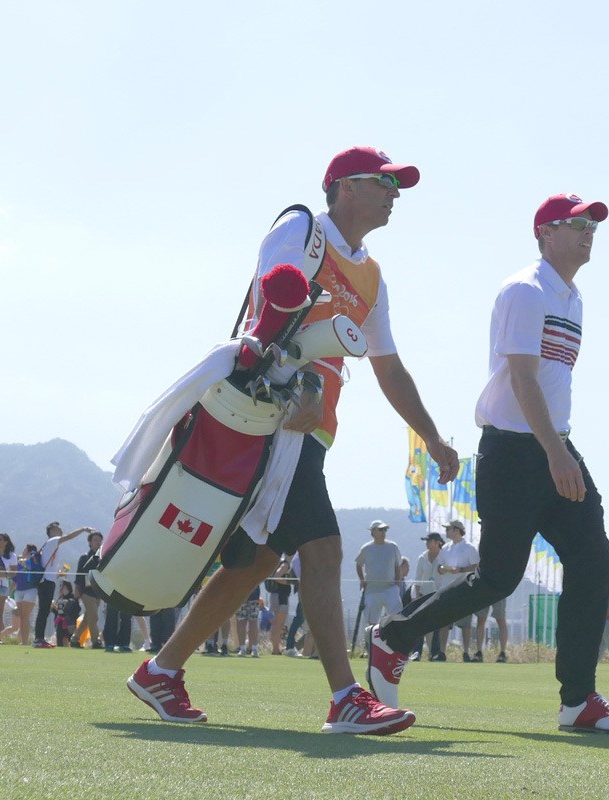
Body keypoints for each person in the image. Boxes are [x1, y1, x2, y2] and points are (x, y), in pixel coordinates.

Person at [127, 145, 458, 736]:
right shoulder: (302, 229)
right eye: (383, 183)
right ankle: (346, 698)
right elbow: (270, 311)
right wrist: (301, 383)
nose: (393, 195)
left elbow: (388, 367)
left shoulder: (372, 275)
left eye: (396, 187)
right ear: (345, 186)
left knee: (258, 559)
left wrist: (431, 436)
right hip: (271, 420)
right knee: (324, 548)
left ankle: (161, 670)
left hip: (312, 430)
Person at [369, 193, 609, 734]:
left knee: (593, 563)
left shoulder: (573, 298)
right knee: (498, 578)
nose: (588, 233)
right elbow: (521, 378)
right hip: (515, 453)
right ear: (545, 233)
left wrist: (559, 448)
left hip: (553, 446)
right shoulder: (526, 289)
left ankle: (578, 701)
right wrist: (556, 453)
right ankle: (394, 638)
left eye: (592, 226)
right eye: (576, 225)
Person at [33, 522, 92, 648]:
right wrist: (82, 529)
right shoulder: (53, 540)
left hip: (48, 580)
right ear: (52, 531)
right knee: (43, 611)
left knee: (44, 611)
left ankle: (40, 638)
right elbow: (69, 537)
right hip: (46, 581)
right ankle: (38, 639)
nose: (61, 532)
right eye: (58, 529)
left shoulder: (50, 544)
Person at [435, 520, 479, 662]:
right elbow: (439, 567)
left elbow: (476, 566)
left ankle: (466, 652)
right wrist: (443, 569)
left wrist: (461, 570)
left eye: (448, 529)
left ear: (456, 530)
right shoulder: (445, 548)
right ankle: (442, 652)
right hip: (446, 589)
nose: (446, 531)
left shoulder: (469, 548)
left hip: (464, 589)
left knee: (465, 624)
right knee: (444, 622)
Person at [355, 520, 403, 628]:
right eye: (381, 529)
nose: (383, 532)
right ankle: (372, 639)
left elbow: (397, 566)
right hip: (372, 590)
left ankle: (393, 638)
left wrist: (397, 584)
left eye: (385, 529)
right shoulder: (366, 548)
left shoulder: (393, 547)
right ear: (373, 532)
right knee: (371, 623)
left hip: (390, 589)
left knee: (396, 619)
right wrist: (362, 579)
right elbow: (359, 564)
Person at [409, 533, 445, 661]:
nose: (427, 543)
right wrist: (416, 598)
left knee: (436, 626)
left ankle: (434, 653)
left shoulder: (444, 556)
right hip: (424, 596)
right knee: (420, 624)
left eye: (429, 541)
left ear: (437, 542)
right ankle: (417, 652)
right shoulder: (422, 558)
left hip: (440, 595)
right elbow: (418, 580)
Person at [73, 531, 104, 649]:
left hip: (97, 592)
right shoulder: (84, 557)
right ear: (90, 542)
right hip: (86, 592)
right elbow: (79, 574)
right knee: (94, 617)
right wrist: (77, 589)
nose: (98, 542)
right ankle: (96, 641)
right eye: (95, 540)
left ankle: (75, 639)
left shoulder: (102, 558)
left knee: (88, 618)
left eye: (99, 540)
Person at [12, 543, 42, 645]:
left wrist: (27, 563)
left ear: (29, 551)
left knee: (25, 615)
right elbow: (15, 579)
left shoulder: (34, 561)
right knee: (22, 616)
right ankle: (23, 641)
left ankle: (24, 641)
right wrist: (10, 592)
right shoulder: (18, 563)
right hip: (18, 591)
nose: (23, 551)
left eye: (25, 549)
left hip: (30, 590)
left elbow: (36, 571)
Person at [472, 595, 509, 662]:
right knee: (481, 620)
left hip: (499, 592)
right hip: (484, 592)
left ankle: (502, 653)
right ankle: (479, 653)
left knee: (501, 620)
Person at [53, 581, 80, 647]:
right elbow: (58, 611)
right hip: (60, 621)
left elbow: (77, 609)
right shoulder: (60, 598)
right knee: (59, 637)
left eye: (63, 587)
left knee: (70, 637)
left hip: (69, 621)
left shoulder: (72, 598)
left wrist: (68, 604)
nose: (62, 589)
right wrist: (54, 608)